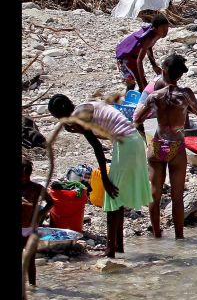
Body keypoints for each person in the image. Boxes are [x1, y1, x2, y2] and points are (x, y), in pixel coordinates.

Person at [48, 93, 153, 257]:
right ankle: (118, 246)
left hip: (127, 144)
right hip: (133, 141)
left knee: (112, 197)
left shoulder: (77, 117)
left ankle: (110, 250)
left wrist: (104, 178)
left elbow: (97, 147)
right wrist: (79, 131)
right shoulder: (84, 106)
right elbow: (103, 131)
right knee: (117, 197)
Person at [134, 54, 197, 239]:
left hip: (158, 144)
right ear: (180, 75)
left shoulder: (155, 96)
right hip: (176, 145)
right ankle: (179, 237)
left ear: (163, 71)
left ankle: (157, 234)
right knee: (177, 196)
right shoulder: (185, 94)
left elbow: (137, 118)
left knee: (155, 193)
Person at [115, 13, 170, 91]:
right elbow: (139, 60)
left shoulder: (158, 34)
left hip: (134, 58)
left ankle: (136, 97)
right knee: (133, 83)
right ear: (155, 28)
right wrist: (142, 82)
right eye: (163, 28)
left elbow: (149, 47)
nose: (166, 31)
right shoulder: (149, 38)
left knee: (140, 83)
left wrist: (154, 65)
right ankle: (128, 101)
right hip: (126, 58)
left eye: (167, 28)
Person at [21, 157, 54, 287]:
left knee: (31, 261)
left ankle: (33, 286)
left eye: (25, 176)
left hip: (31, 229)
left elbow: (51, 202)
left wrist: (41, 214)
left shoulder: (36, 188)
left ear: (29, 174)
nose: (23, 178)